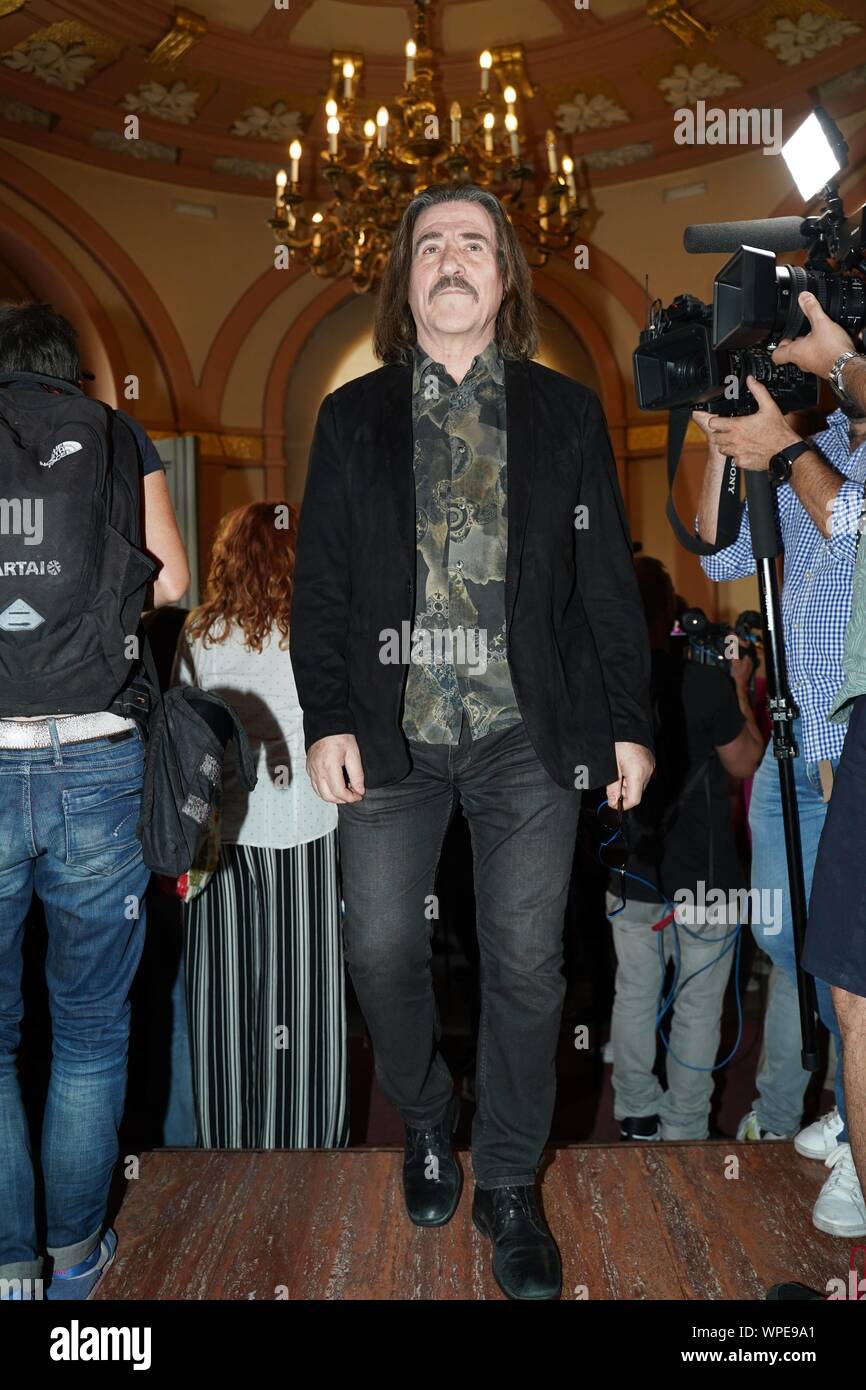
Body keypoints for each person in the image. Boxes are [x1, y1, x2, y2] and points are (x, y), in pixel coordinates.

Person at [290, 182, 654, 1300]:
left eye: (474, 245)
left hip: (523, 735)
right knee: (379, 952)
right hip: (391, 733)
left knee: (528, 963)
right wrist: (327, 717)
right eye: (431, 246)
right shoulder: (352, 416)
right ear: (407, 281)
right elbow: (323, 586)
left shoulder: (563, 411)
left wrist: (631, 726)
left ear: (504, 277)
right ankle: (429, 1121)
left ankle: (506, 1180)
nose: (452, 259)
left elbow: (602, 586)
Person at [0, 301, 189, 1299]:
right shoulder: (119, 434)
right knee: (89, 1026)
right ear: (69, 370)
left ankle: (6, 1265)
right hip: (99, 753)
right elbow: (175, 579)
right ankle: (75, 1252)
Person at [694, 308, 866, 1237]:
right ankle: (853, 1092)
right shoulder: (815, 438)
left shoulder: (826, 458)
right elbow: (714, 548)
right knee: (787, 938)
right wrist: (714, 431)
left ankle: (859, 1132)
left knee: (852, 956)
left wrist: (783, 448)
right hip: (792, 744)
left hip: (853, 743)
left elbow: (853, 526)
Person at [174, 502, 348, 1150]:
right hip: (302, 822)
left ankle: (226, 1145)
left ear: (230, 557)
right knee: (303, 1000)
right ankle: (304, 1145)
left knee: (220, 1003)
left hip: (217, 834)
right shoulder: (320, 629)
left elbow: (183, 734)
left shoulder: (198, 630)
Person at [608, 558, 763, 1141]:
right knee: (698, 1003)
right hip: (706, 874)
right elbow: (745, 761)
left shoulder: (606, 685)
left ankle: (634, 1111)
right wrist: (740, 691)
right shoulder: (702, 684)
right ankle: (684, 1123)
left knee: (635, 995)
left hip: (632, 869)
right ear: (670, 614)